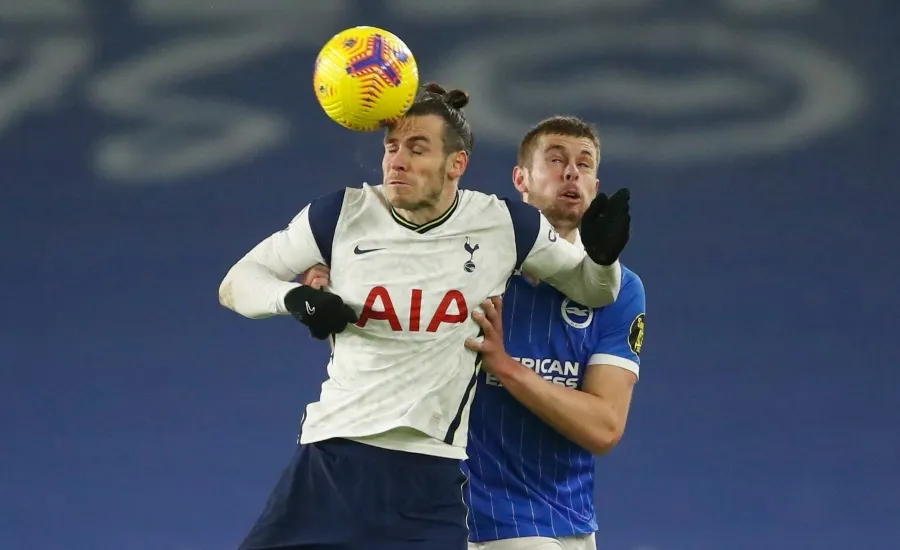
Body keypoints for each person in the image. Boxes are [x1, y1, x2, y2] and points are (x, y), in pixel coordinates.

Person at [218, 83, 633, 550]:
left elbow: (595, 291)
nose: (397, 160)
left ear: (456, 164)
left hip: (430, 474)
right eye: (391, 147)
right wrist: (295, 299)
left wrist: (602, 258)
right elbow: (238, 282)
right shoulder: (341, 214)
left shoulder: (506, 226)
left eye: (417, 148)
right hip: (332, 457)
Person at [463, 116, 647, 550]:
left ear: (596, 185)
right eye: (556, 159)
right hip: (488, 519)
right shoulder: (474, 268)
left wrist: (507, 369)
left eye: (584, 165)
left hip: (574, 522)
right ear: (520, 179)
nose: (571, 172)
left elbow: (603, 426)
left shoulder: (621, 290)